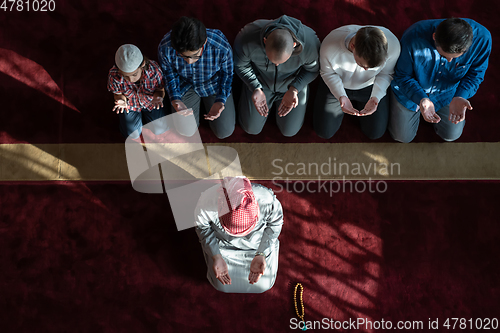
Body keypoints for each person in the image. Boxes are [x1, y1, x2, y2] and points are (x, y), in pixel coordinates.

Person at [390, 18, 491, 142]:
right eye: (443, 56)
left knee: (451, 135)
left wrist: (460, 96)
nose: (449, 61)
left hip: (447, 94)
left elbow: (475, 75)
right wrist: (421, 98)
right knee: (402, 137)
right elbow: (403, 76)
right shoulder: (413, 36)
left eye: (455, 59)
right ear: (434, 37)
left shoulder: (482, 39)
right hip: (409, 92)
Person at [234, 15, 320, 137]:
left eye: (281, 61)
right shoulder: (247, 37)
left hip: (293, 84)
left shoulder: (310, 43)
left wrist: (295, 88)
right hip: (261, 82)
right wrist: (255, 87)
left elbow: (312, 70)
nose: (277, 64)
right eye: (272, 60)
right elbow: (240, 65)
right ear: (265, 41)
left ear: (294, 44)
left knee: (289, 131)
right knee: (251, 129)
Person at [195, 176, 283, 293]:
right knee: (221, 285)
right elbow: (202, 228)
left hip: (257, 245)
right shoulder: (207, 201)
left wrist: (261, 253)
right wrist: (216, 256)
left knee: (263, 285)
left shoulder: (265, 198)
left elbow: (275, 225)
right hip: (223, 246)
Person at [314, 25, 400, 140]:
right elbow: (328, 73)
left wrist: (376, 96)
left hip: (370, 86)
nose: (366, 70)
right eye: (363, 65)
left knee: (375, 133)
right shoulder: (329, 47)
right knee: (324, 132)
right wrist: (341, 96)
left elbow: (386, 74)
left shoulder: (393, 45)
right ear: (352, 46)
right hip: (338, 82)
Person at [158, 17, 235, 139]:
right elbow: (169, 75)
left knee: (224, 132)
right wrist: (176, 99)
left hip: (213, 84)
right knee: (186, 131)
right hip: (185, 84)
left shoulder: (220, 46)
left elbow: (227, 74)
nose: (189, 62)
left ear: (204, 43)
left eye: (194, 56)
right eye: (183, 56)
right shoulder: (165, 47)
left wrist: (221, 99)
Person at [107, 44, 168, 139]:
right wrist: (121, 100)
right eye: (126, 76)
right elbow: (118, 94)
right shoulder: (114, 75)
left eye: (134, 74)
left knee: (160, 130)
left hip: (151, 102)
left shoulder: (155, 70)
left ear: (142, 65)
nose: (131, 79)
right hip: (130, 104)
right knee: (132, 135)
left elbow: (160, 89)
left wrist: (158, 97)